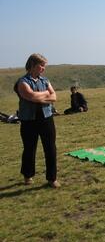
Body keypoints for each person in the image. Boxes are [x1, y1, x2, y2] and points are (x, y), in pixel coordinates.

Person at [14, 53, 60, 188]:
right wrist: (46, 93)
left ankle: (52, 178)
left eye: (44, 65)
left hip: (46, 118)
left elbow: (54, 97)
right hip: (29, 120)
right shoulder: (22, 82)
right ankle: (28, 175)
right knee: (29, 149)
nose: (43, 68)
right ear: (33, 65)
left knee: (51, 148)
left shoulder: (45, 80)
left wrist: (41, 96)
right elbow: (32, 96)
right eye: (41, 65)